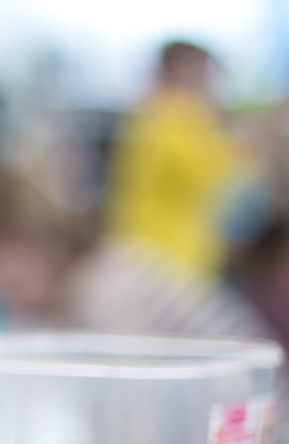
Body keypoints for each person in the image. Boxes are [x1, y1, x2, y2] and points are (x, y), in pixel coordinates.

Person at [0, 163, 289, 444]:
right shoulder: (93, 278)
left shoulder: (105, 289)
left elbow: (130, 427)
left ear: (37, 242)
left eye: (14, 284)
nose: (12, 303)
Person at [105, 39, 247, 282]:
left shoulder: (151, 112)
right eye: (203, 70)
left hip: (157, 250)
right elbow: (213, 176)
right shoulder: (172, 117)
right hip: (168, 254)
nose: (209, 82)